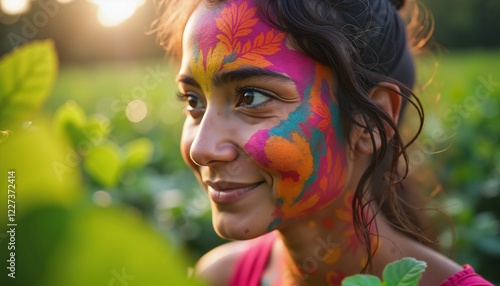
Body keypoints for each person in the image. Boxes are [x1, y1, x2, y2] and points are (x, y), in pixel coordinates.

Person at [156, 0, 494, 285]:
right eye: (193, 101)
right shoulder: (220, 276)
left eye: (250, 96)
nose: (201, 148)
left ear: (368, 123)